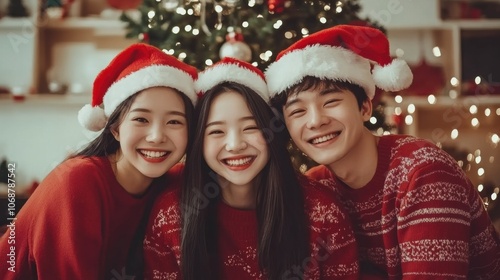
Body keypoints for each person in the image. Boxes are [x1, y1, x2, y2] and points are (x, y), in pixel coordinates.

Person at [265, 24, 500, 279]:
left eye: (331, 102)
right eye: (298, 111)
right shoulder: (314, 189)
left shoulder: (423, 172)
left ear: (365, 107)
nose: (315, 121)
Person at [143, 57, 360, 279]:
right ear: (199, 143)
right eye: (217, 131)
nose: (235, 145)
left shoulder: (323, 213)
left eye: (250, 127)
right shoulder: (170, 215)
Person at [0, 43, 198, 279]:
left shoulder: (172, 184)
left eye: (174, 122)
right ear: (114, 129)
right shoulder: (77, 183)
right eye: (141, 119)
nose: (156, 136)